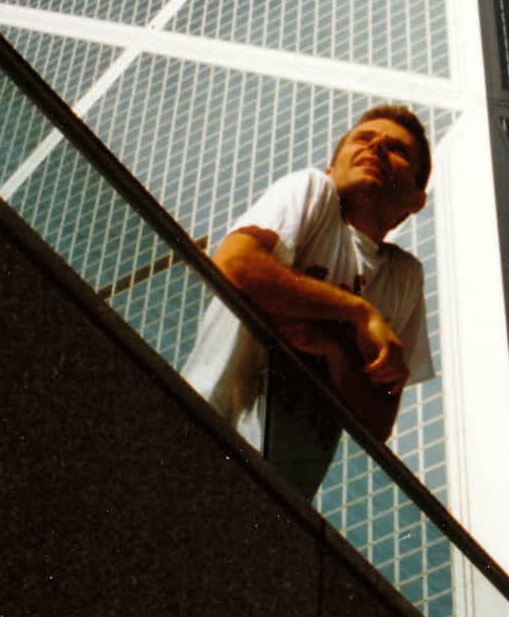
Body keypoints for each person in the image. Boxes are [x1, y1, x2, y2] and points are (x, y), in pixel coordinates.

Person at [182, 105, 433, 499]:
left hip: (279, 486)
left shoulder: (403, 275)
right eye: (363, 139)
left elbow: (378, 422)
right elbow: (237, 262)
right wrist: (357, 313)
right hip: (203, 423)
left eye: (397, 149)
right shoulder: (314, 190)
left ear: (417, 200)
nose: (377, 148)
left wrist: (334, 348)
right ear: (333, 169)